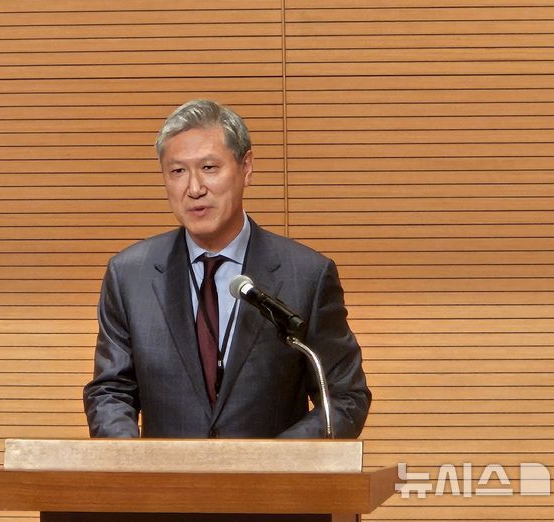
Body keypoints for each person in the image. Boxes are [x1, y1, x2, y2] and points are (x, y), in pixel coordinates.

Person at [83, 99, 370, 438]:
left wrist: (277, 458)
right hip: (163, 472)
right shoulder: (130, 276)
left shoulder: (307, 275)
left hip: (272, 472)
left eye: (209, 167)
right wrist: (131, 457)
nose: (194, 189)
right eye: (177, 171)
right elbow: (110, 391)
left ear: (246, 167)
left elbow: (344, 396)